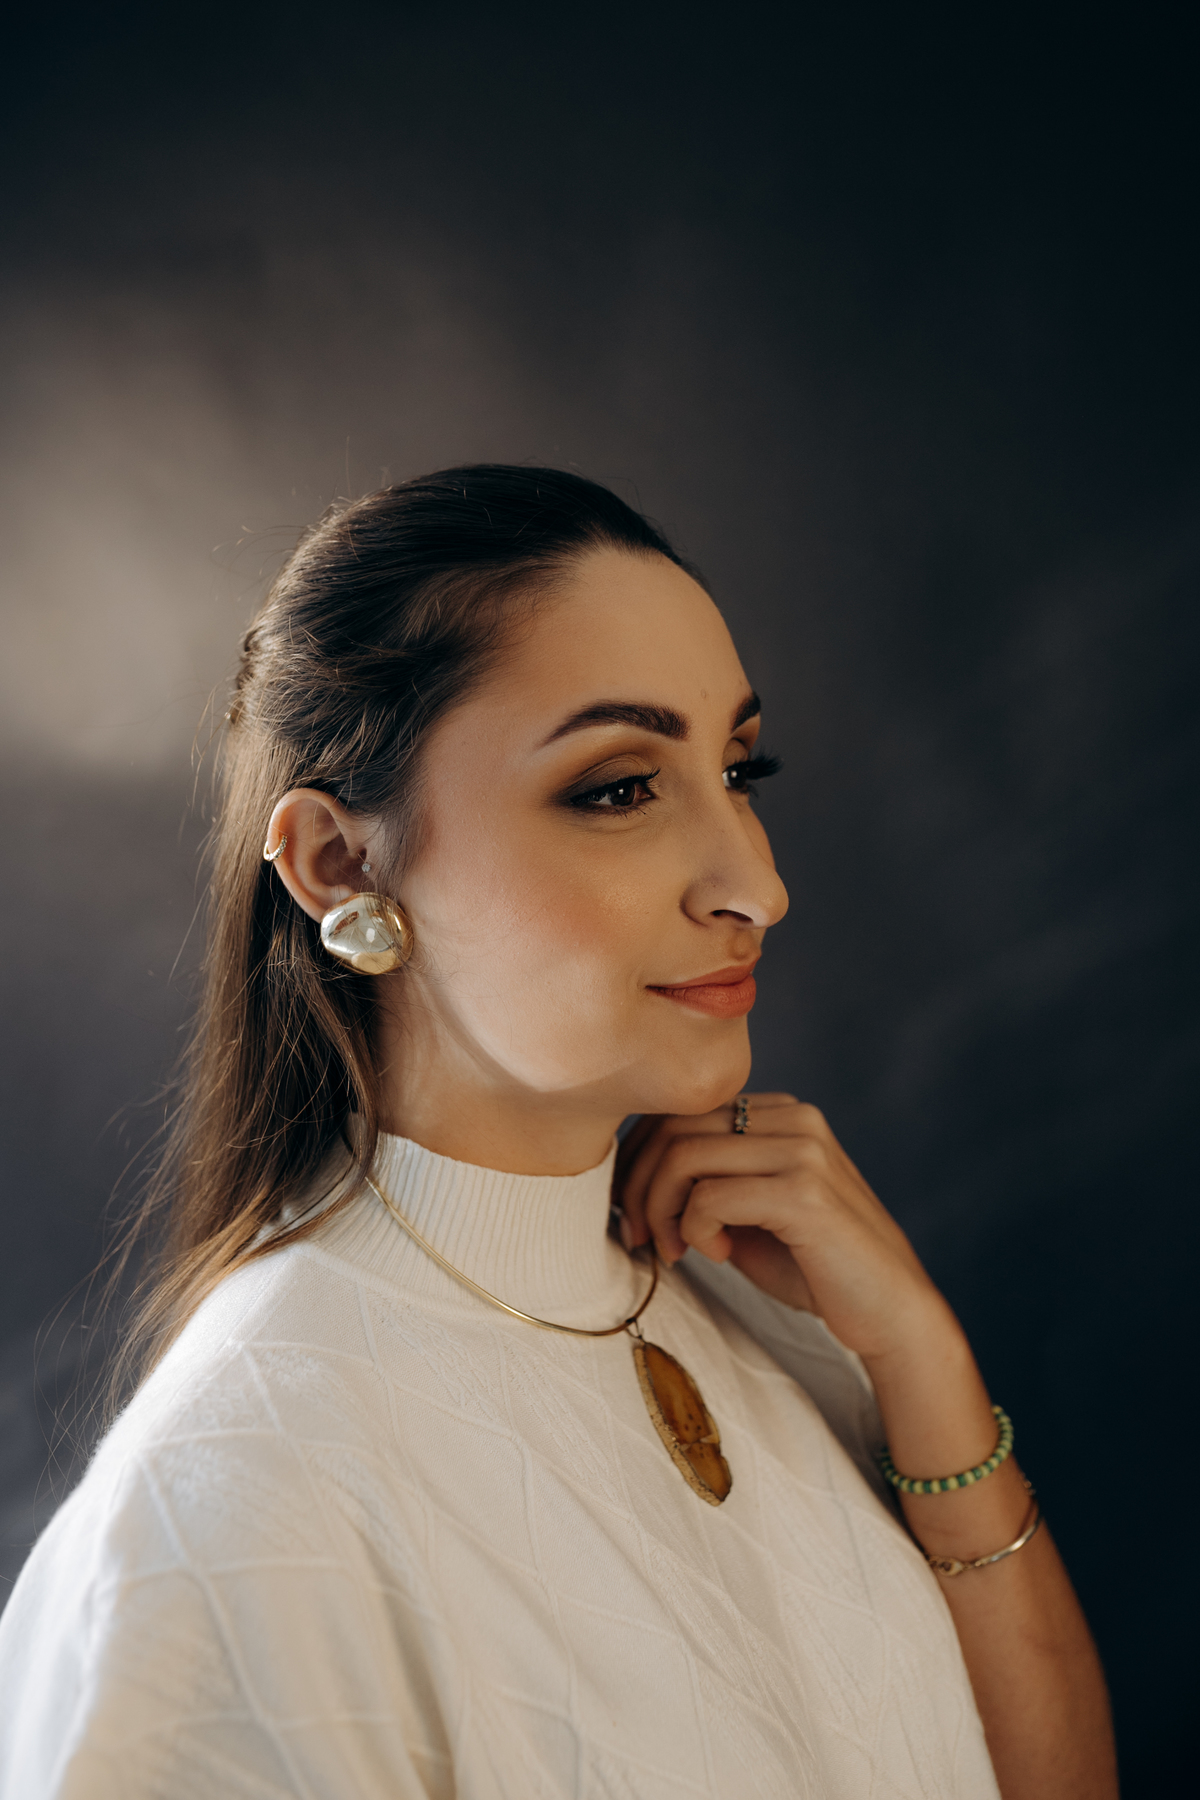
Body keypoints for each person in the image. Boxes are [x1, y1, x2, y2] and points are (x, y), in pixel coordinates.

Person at [0, 467, 1116, 1799]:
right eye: (620, 789)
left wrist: (924, 1366)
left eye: (738, 770)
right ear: (340, 863)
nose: (758, 886)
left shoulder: (761, 1303)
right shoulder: (239, 1506)